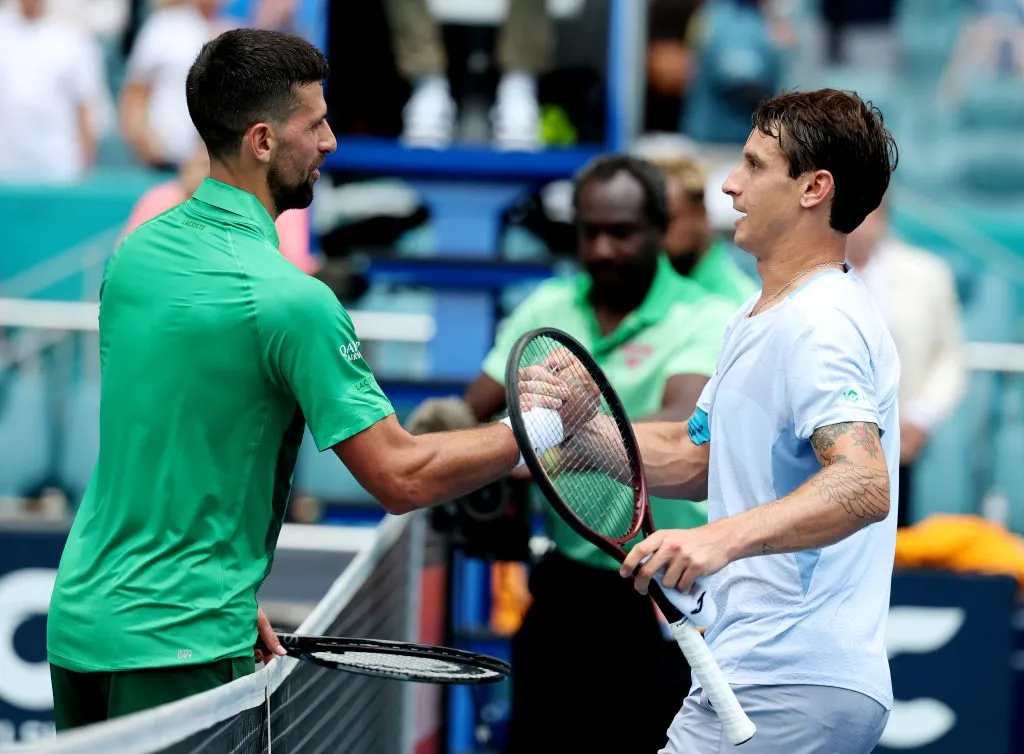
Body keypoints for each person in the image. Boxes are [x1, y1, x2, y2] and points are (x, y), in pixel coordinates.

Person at [45, 28, 549, 731]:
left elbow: (174, 437)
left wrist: (225, 588)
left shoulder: (134, 256)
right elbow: (400, 476)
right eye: (315, 125)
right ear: (262, 141)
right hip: (181, 639)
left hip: (82, 622)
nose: (331, 142)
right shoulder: (293, 301)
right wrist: (537, 429)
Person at [525, 89, 901, 752]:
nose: (730, 184)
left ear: (814, 188)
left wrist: (717, 539)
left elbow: (864, 482)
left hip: (788, 675)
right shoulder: (758, 317)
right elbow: (698, 457)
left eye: (754, 166)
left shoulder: (822, 322)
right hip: (771, 674)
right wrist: (583, 424)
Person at [460, 154, 736, 753]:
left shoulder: (706, 317)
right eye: (591, 232)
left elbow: (680, 426)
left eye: (622, 232)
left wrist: (555, 441)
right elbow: (473, 411)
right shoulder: (546, 307)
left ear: (660, 229)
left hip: (670, 588)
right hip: (567, 589)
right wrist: (452, 434)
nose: (603, 249)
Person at [846, 203, 967, 527]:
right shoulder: (810, 275)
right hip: (825, 441)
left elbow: (948, 355)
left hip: (897, 439)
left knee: (893, 534)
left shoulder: (926, 274)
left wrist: (922, 418)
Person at [121, 144, 319, 275]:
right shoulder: (160, 198)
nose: (207, 172)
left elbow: (294, 268)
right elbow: (128, 259)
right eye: (202, 162)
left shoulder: (282, 203)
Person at [647, 151, 758, 306]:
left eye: (668, 219)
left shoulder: (737, 302)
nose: (657, 232)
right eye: (649, 220)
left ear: (701, 212)